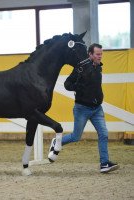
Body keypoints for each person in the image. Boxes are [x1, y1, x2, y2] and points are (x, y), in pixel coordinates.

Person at [48, 43, 119, 173]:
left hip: (97, 109)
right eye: (97, 54)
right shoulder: (80, 67)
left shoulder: (99, 67)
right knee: (76, 136)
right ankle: (57, 141)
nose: (100, 56)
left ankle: (104, 164)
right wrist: (77, 87)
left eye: (101, 54)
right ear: (90, 54)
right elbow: (67, 84)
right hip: (82, 109)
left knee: (103, 134)